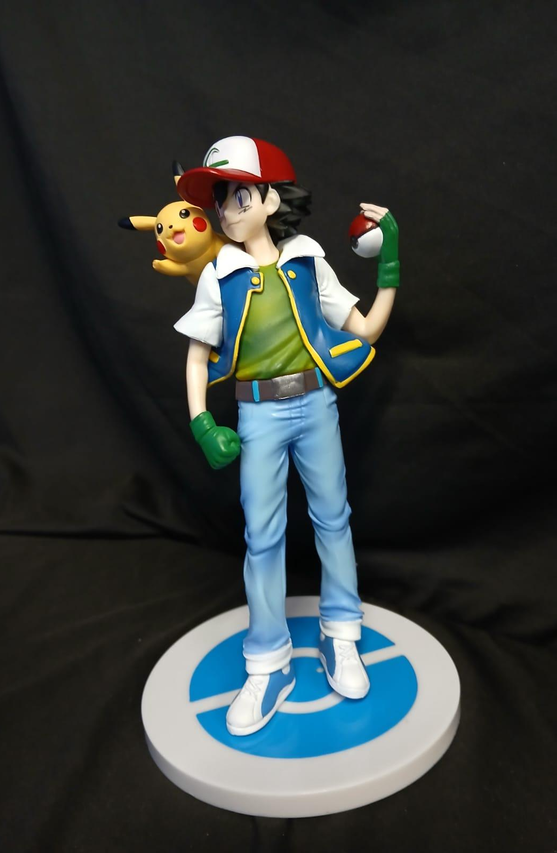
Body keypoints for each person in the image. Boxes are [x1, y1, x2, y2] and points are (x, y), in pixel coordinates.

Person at [174, 136, 399, 736]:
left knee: (333, 518)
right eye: (221, 198)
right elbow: (197, 358)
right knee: (263, 536)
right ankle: (268, 662)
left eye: (238, 195)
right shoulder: (220, 273)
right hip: (257, 415)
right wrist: (201, 422)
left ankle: (341, 634)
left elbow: (364, 331)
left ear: (271, 199)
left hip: (317, 402)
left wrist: (390, 266)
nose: (226, 210)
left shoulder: (306, 258)